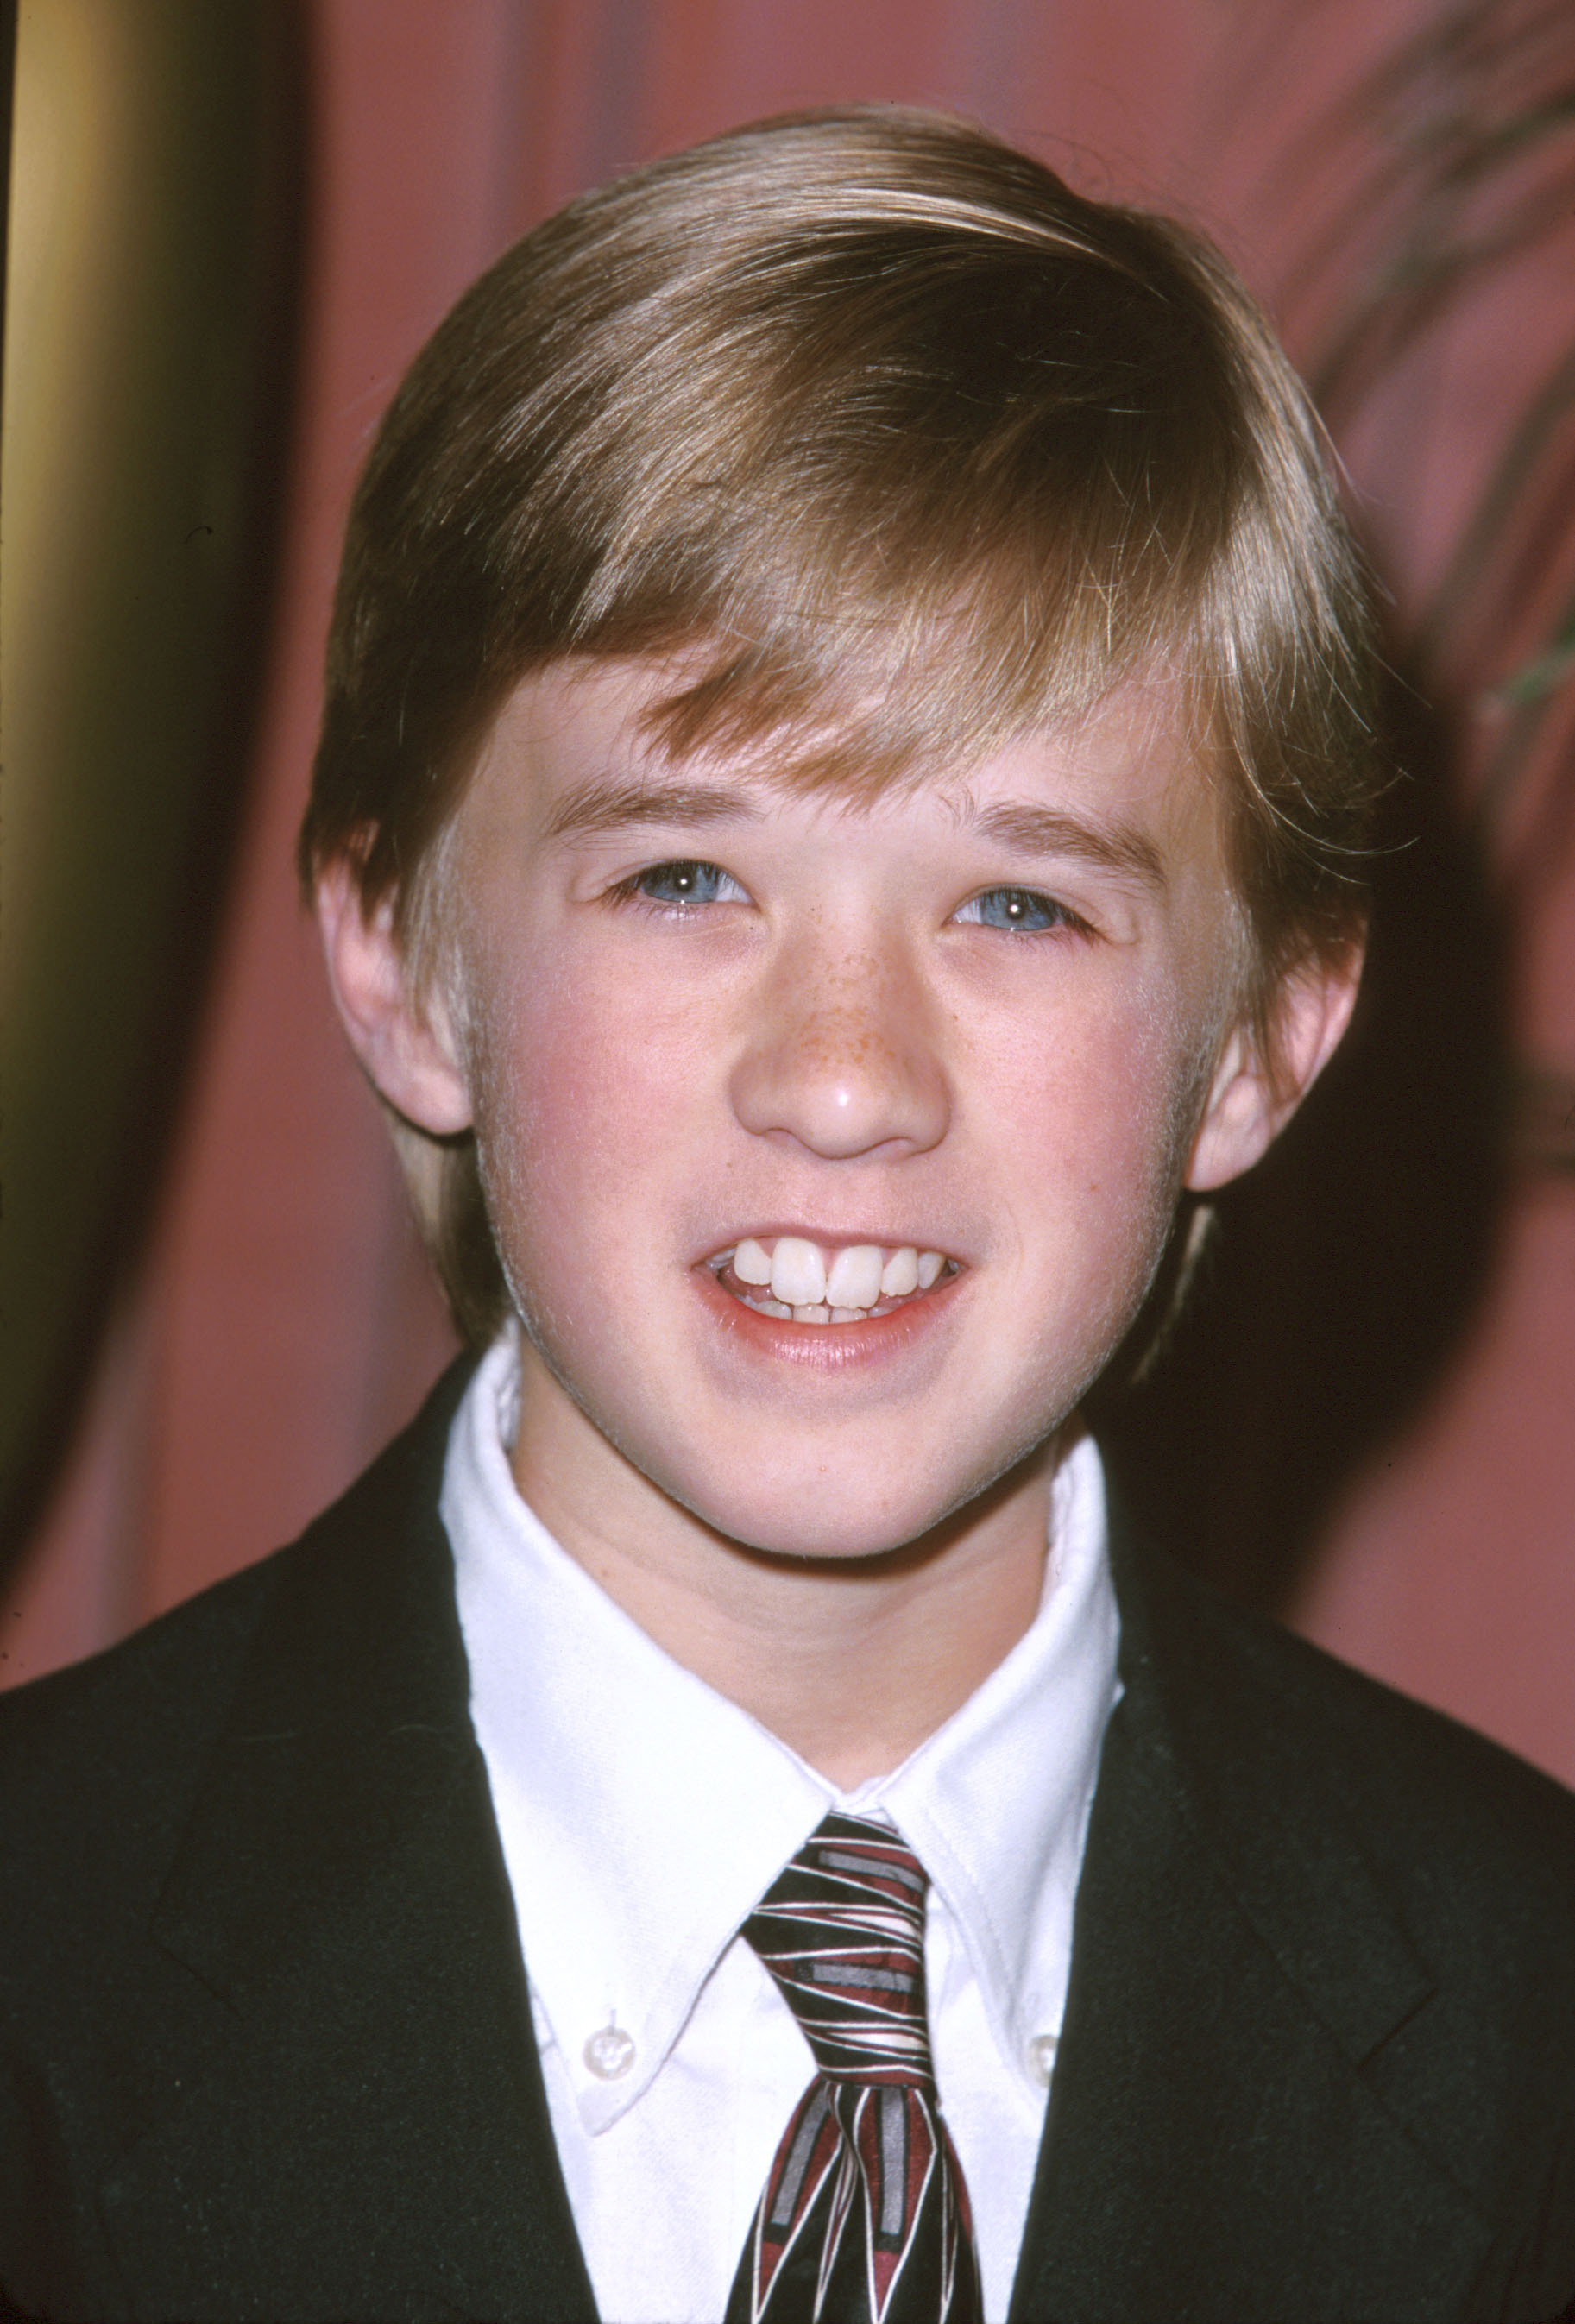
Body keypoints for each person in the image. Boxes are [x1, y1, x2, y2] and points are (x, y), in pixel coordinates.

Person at [3, 107, 1572, 2324]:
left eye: (1019, 903)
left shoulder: (1528, 2042)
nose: (843, 1077)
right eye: (684, 878)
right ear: (400, 966)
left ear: (1262, 1047)